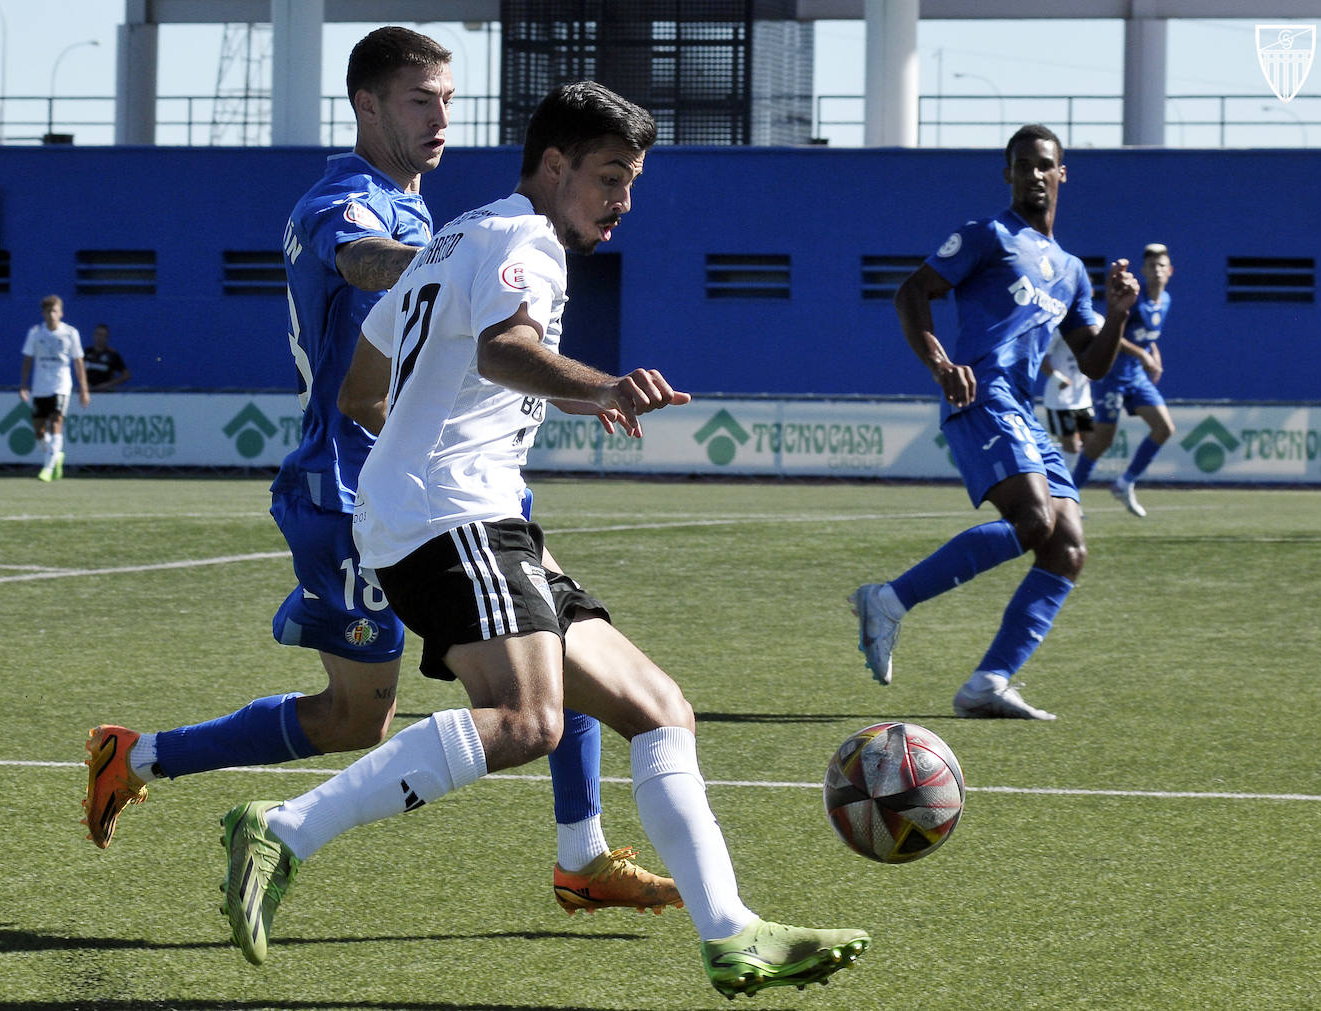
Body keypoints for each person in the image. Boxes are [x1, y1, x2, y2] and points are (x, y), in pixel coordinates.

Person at [217, 81, 870, 998]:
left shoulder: (457, 237)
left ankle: (731, 931)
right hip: (453, 514)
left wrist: (509, 404)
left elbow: (364, 387)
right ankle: (283, 828)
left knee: (658, 707)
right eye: (610, 176)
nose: (622, 201)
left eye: (631, 182)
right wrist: (597, 387)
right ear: (554, 165)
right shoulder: (528, 240)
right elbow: (501, 350)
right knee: (529, 721)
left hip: (463, 511)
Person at [82, 28, 676, 919]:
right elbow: (359, 261)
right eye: (418, 99)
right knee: (359, 717)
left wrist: (455, 268)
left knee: (546, 628)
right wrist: (449, 271)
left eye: (447, 98)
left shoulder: (436, 216)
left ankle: (581, 853)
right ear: (367, 105)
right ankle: (138, 758)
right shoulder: (343, 199)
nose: (442, 116)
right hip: (354, 487)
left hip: (442, 484)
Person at [850, 124, 1139, 720]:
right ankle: (887, 600)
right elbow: (912, 293)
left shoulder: (1071, 270)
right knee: (1034, 519)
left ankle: (989, 681)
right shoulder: (988, 236)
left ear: (1062, 174)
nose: (1035, 174)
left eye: (1045, 165)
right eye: (1023, 165)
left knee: (1068, 549)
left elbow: (1092, 361)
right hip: (983, 395)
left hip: (1025, 411)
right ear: (1008, 174)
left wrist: (1117, 315)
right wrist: (940, 363)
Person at [1071, 243, 1176, 517]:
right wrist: (1142, 353)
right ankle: (1070, 495)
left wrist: (1154, 355)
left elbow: (1147, 336)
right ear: (1143, 270)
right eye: (1151, 266)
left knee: (1164, 428)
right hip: (1112, 375)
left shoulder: (1165, 302)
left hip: (1136, 376)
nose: (1156, 271)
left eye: (1161, 266)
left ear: (1170, 271)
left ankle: (1125, 482)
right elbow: (1113, 332)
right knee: (1101, 442)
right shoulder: (1135, 299)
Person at [19, 294, 90, 481]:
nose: (51, 314)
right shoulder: (35, 333)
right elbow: (27, 360)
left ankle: (47, 469)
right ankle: (56, 455)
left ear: (61, 313)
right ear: (43, 313)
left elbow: (78, 362)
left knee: (56, 422)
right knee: (39, 431)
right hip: (40, 386)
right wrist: (23, 385)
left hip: (61, 386)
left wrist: (84, 389)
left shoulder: (70, 333)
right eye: (48, 311)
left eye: (55, 311)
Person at [1039, 328, 1094, 474]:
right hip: (1060, 400)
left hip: (1083, 399)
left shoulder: (1097, 321)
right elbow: (1041, 355)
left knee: (1090, 446)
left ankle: (1058, 472)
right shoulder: (1058, 326)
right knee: (1072, 447)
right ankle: (1059, 486)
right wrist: (1057, 378)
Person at [82, 323, 131, 391]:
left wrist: (108, 385)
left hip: (106, 394)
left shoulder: (112, 355)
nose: (99, 337)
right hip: (88, 391)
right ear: (94, 335)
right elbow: (79, 369)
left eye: (102, 335)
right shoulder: (86, 352)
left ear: (107, 337)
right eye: (98, 334)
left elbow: (126, 375)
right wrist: (84, 383)